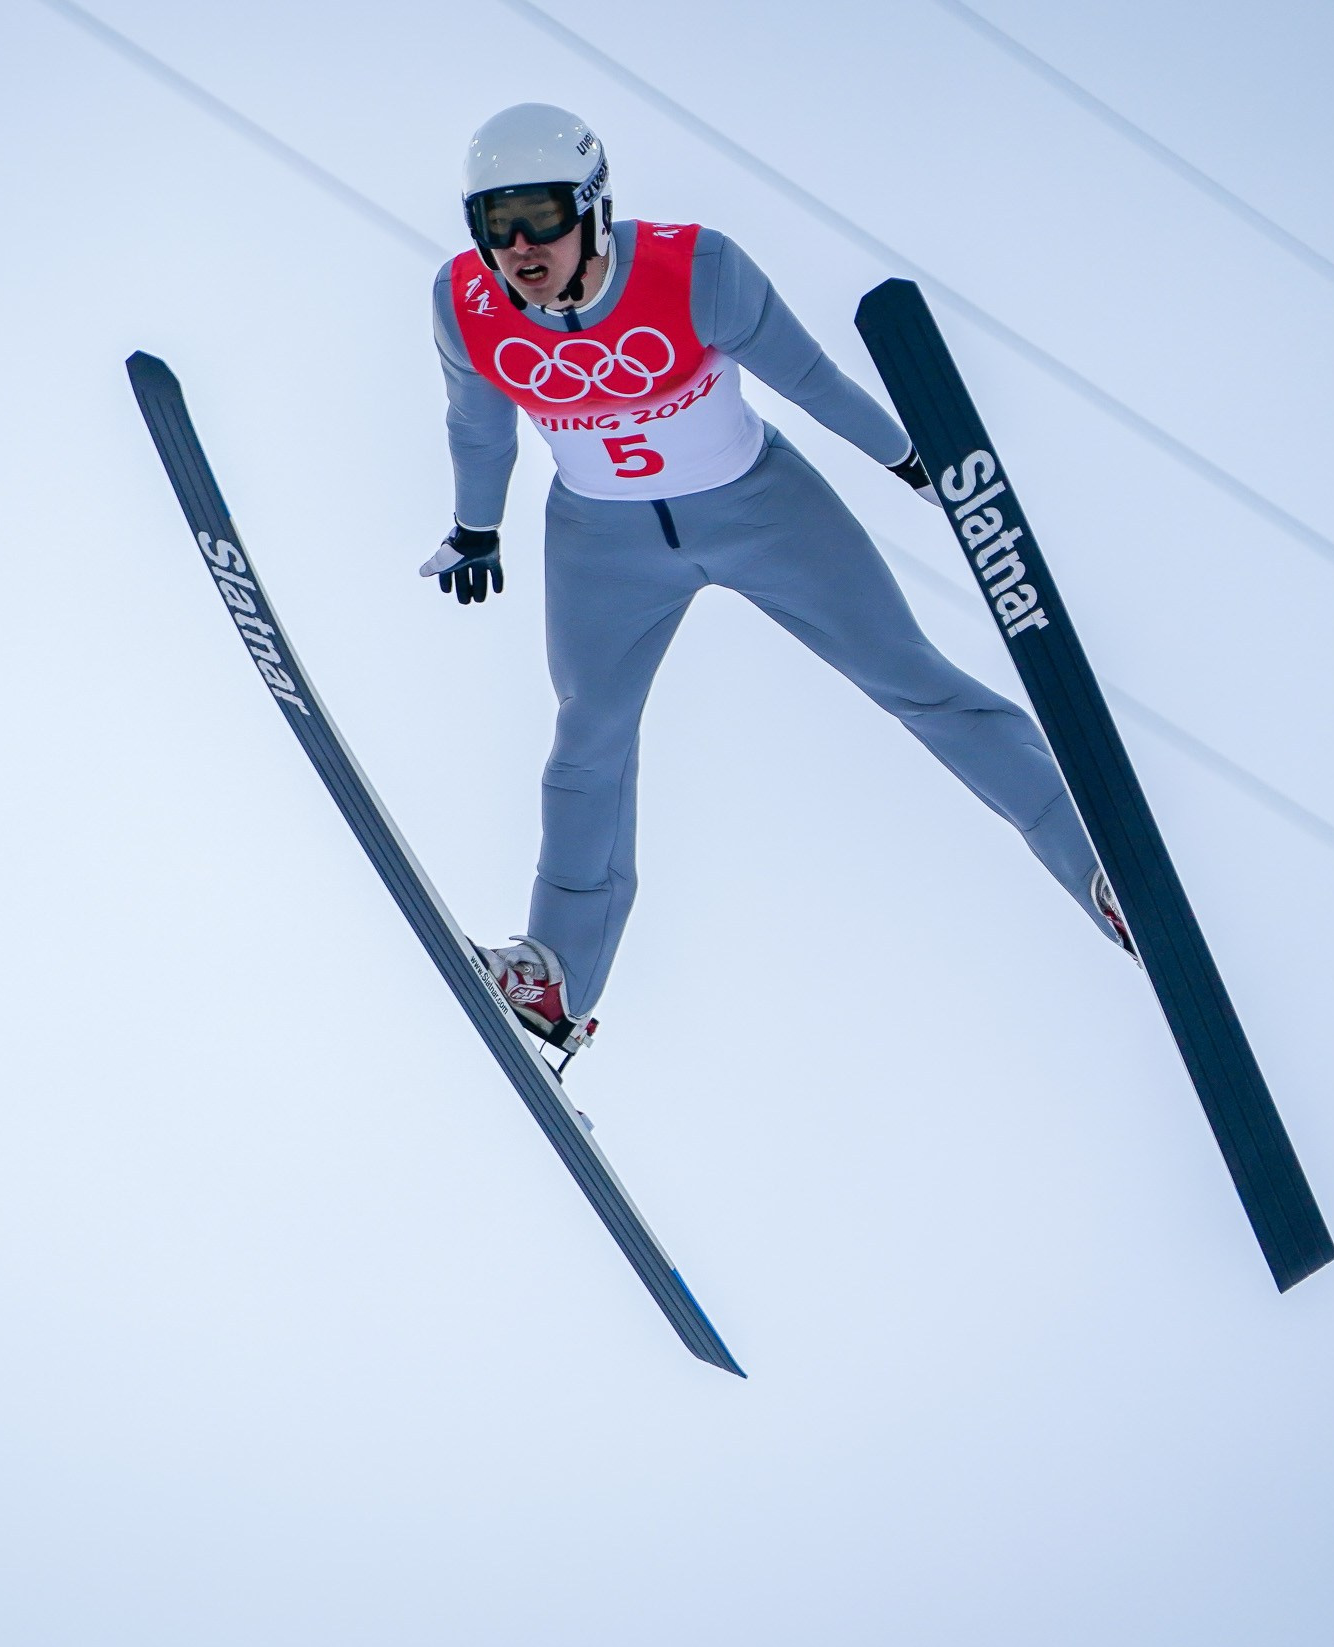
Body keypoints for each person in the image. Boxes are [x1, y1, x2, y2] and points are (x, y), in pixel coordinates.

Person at [425, 103, 1133, 1057]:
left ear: (592, 206)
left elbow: (813, 380)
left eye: (540, 215)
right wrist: (476, 528)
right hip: (601, 543)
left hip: (760, 509)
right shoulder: (464, 301)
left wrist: (918, 466)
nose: (518, 246)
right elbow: (477, 422)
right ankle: (556, 981)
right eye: (494, 222)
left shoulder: (694, 270)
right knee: (587, 741)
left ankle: (1104, 872)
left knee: (914, 680)